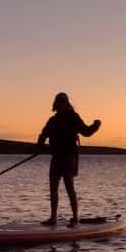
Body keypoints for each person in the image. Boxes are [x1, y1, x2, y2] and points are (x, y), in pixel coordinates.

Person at [37, 92, 101, 227]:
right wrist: (40, 145)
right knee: (53, 189)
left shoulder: (73, 117)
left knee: (69, 187)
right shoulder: (52, 120)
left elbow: (86, 132)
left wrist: (96, 125)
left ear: (67, 104)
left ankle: (75, 218)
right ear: (55, 104)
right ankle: (53, 218)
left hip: (69, 157)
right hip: (56, 157)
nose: (61, 104)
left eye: (63, 102)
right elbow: (44, 134)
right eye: (59, 102)